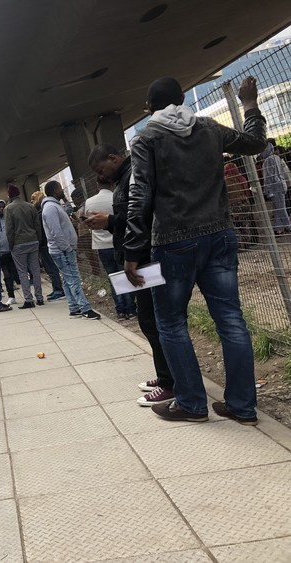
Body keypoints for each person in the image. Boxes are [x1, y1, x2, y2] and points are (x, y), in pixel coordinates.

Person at [124, 76, 266, 424]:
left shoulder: (147, 139)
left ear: (148, 108)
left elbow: (139, 196)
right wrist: (249, 105)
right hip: (220, 236)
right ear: (183, 98)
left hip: (173, 243)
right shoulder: (210, 128)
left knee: (171, 323)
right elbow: (254, 142)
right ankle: (242, 407)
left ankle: (191, 403)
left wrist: (132, 252)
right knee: (231, 321)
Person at [86, 144, 175, 406]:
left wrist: (111, 222)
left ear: (114, 158)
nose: (102, 175)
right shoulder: (126, 177)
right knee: (149, 319)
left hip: (143, 258)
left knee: (153, 320)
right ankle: (165, 376)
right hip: (138, 257)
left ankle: (170, 382)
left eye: (101, 168)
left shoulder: (133, 176)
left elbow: (141, 216)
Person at [41, 181, 100, 320]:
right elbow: (56, 232)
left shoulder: (55, 206)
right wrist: (66, 248)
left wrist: (66, 200)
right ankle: (85, 308)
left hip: (62, 250)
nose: (63, 191)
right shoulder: (50, 208)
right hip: (62, 250)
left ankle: (74, 308)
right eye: (61, 189)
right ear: (56, 190)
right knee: (73, 279)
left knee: (68, 280)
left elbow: (69, 210)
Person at [84, 178, 136, 320]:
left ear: (97, 185)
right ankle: (131, 309)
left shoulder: (89, 202)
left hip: (101, 244)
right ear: (112, 183)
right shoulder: (115, 197)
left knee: (113, 277)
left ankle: (120, 310)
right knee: (125, 276)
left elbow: (90, 221)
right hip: (118, 242)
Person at [4, 183, 45, 308]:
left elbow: (9, 230)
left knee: (22, 272)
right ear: (19, 193)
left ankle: (28, 300)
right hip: (33, 241)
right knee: (36, 270)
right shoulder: (30, 206)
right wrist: (39, 239)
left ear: (9, 195)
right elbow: (37, 225)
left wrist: (11, 245)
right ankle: (40, 297)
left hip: (18, 243)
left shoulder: (9, 209)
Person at [30, 191, 66, 301]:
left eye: (32, 199)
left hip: (45, 244)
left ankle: (58, 290)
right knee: (50, 268)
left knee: (51, 268)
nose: (31, 201)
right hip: (45, 244)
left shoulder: (40, 214)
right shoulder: (41, 212)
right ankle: (57, 289)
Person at [0, 199, 18, 305]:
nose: (2, 209)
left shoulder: (10, 219)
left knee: (18, 274)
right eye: (0, 207)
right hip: (2, 253)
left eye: (3, 207)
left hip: (14, 251)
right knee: (7, 276)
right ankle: (11, 295)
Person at [261, 142, 291, 235]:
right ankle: (277, 228)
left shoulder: (267, 161)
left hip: (275, 186)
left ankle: (288, 226)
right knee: (277, 208)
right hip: (282, 184)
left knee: (280, 208)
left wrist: (268, 190)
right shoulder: (277, 157)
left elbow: (268, 176)